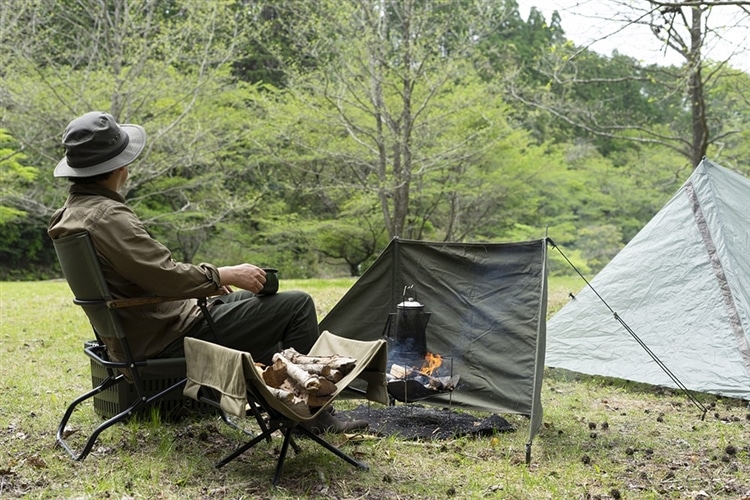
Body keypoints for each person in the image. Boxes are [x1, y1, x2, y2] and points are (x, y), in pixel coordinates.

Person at [48, 111, 366, 433]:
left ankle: (277, 394)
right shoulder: (107, 217)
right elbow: (166, 276)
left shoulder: (72, 213)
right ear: (119, 167)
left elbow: (146, 277)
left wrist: (212, 285)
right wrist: (223, 274)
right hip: (167, 338)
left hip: (148, 329)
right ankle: (309, 418)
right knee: (295, 305)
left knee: (249, 299)